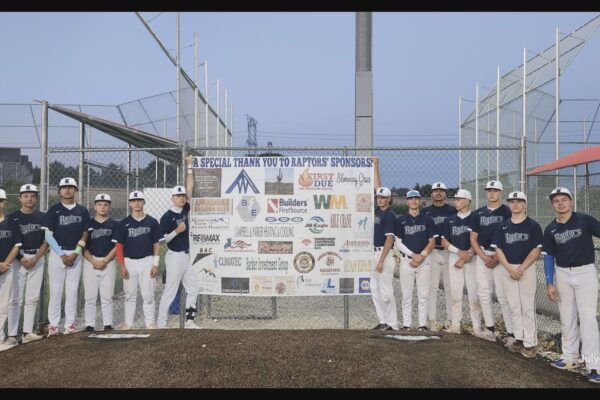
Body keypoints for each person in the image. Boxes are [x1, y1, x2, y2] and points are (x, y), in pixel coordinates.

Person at [542, 187, 600, 384]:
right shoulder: (550, 229)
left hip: (585, 272)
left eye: (564, 199)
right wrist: (549, 283)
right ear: (552, 205)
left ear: (571, 202)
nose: (560, 203)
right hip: (563, 273)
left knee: (588, 319)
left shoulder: (585, 220)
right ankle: (570, 357)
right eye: (556, 200)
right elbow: (548, 256)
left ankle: (594, 365)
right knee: (567, 317)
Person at [491, 191, 542, 358]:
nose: (515, 204)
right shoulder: (503, 225)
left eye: (519, 201)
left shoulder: (533, 225)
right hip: (508, 268)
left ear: (525, 204)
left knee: (527, 307)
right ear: (509, 204)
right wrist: (509, 268)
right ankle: (519, 339)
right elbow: (498, 249)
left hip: (526, 268)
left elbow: (536, 250)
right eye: (512, 201)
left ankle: (530, 343)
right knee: (513, 306)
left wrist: (520, 268)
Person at [156, 158, 201, 329]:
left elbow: (189, 186)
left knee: (193, 288)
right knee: (170, 291)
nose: (182, 198)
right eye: (178, 196)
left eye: (183, 196)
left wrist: (189, 166)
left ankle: (189, 321)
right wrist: (176, 231)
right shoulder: (167, 217)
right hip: (174, 257)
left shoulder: (185, 209)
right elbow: (161, 241)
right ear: (172, 198)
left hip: (186, 256)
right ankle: (161, 324)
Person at [44, 177, 90, 336]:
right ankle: (53, 326)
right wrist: (62, 255)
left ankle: (70, 325)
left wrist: (76, 252)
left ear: (75, 190)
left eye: (71, 187)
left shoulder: (82, 210)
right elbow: (48, 236)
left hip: (75, 254)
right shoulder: (53, 210)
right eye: (64, 187)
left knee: (72, 291)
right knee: (55, 291)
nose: (67, 190)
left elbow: (85, 234)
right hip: (58, 254)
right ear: (59, 190)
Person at [469, 180, 513, 343]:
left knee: (503, 295)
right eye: (489, 190)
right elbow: (473, 238)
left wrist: (496, 257)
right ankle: (490, 329)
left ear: (501, 193)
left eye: (495, 190)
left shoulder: (507, 211)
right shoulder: (478, 213)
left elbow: (510, 237)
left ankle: (511, 333)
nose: (492, 193)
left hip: (502, 256)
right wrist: (483, 256)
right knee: (484, 293)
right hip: (483, 255)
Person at [6, 184, 48, 345]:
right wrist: (21, 257)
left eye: (32, 196)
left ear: (36, 198)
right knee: (14, 298)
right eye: (26, 196)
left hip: (37, 257)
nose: (29, 199)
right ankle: (12, 334)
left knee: (32, 298)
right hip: (18, 259)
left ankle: (27, 332)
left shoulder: (43, 217)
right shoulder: (12, 217)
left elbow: (46, 240)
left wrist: (36, 258)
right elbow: (9, 241)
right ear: (20, 198)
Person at [116, 190, 161, 330]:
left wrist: (155, 264)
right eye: (133, 201)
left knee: (148, 294)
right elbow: (119, 246)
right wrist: (122, 266)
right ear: (130, 203)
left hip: (147, 260)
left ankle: (150, 322)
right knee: (129, 295)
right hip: (129, 262)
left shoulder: (152, 222)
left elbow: (156, 244)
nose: (136, 203)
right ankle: (128, 323)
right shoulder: (124, 223)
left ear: (143, 202)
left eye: (139, 200)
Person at [440, 189, 481, 335]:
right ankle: (455, 325)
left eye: (458, 199)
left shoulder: (475, 217)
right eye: (455, 199)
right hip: (454, 256)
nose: (455, 201)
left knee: (474, 295)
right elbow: (444, 241)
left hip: (472, 257)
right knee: (455, 293)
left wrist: (466, 255)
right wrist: (459, 253)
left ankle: (477, 327)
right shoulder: (450, 219)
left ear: (467, 201)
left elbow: (478, 239)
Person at [395, 190, 436, 331]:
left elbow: (432, 242)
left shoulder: (427, 220)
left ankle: (422, 325)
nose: (413, 201)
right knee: (406, 296)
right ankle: (406, 325)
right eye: (411, 199)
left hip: (424, 262)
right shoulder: (401, 220)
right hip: (407, 261)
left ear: (420, 201)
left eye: (416, 199)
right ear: (407, 202)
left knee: (423, 295)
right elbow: (398, 243)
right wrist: (413, 255)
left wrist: (421, 256)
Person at [422, 181, 456, 331]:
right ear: (431, 194)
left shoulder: (452, 211)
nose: (438, 193)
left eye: (441, 191)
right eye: (435, 191)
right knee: (432, 287)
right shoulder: (425, 211)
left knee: (450, 287)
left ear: (445, 194)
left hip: (449, 251)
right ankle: (432, 320)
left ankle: (451, 319)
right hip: (433, 251)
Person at [369, 157, 398, 331]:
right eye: (378, 197)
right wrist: (375, 167)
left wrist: (381, 260)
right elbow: (377, 186)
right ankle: (383, 321)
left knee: (386, 290)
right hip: (375, 253)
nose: (379, 199)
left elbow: (390, 239)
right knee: (374, 288)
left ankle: (393, 323)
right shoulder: (379, 211)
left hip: (384, 254)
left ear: (389, 200)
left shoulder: (389, 215)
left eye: (383, 197)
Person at [82, 194, 118, 332]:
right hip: (90, 261)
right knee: (90, 296)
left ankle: (107, 324)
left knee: (107, 296)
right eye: (99, 204)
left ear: (109, 207)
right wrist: (93, 261)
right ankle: (89, 324)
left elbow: (117, 246)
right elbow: (83, 246)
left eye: (105, 204)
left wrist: (105, 260)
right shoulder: (88, 224)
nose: (102, 207)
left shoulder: (115, 224)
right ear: (94, 206)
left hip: (108, 262)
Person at [0, 189, 23, 351]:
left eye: (0, 201)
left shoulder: (11, 222)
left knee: (3, 304)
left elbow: (17, 245)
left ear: (4, 203)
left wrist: (5, 264)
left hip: (6, 268)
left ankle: (0, 336)